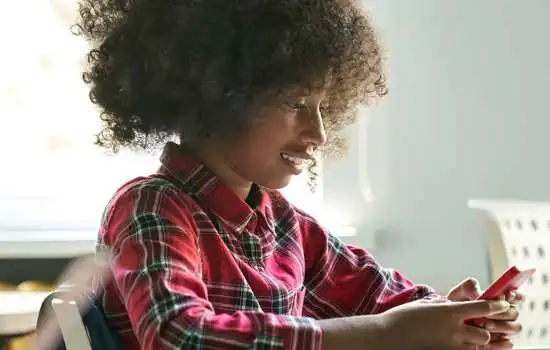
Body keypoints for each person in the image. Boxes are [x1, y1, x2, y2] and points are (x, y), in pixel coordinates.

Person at [75, 0, 522, 349]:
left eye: (324, 108)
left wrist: (453, 315)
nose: (320, 132)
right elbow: (183, 338)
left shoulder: (288, 227)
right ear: (217, 95)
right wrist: (385, 333)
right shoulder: (150, 208)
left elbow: (382, 298)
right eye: (295, 104)